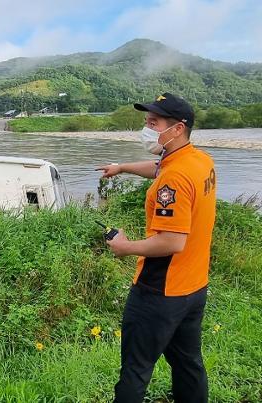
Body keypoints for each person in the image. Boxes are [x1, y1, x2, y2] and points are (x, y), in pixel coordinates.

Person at [97, 93, 216, 403]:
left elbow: (172, 241)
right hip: (194, 287)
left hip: (159, 292)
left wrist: (124, 247)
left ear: (176, 129)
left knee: (135, 370)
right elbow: (158, 167)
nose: (146, 128)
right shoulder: (198, 160)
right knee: (188, 364)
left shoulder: (174, 179)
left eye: (153, 123)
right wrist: (121, 167)